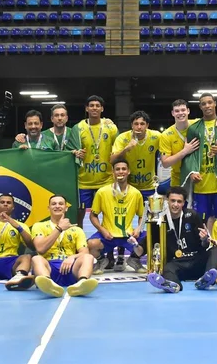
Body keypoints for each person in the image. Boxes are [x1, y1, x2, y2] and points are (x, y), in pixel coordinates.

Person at [136, 186, 217, 293]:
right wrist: (134, 244)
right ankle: (173, 285)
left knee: (216, 248)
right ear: (167, 201)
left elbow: (204, 245)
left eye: (179, 201)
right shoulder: (159, 222)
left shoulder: (192, 215)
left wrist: (205, 239)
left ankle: (207, 279)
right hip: (177, 263)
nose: (175, 204)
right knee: (167, 269)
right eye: (173, 201)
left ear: (183, 203)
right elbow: (142, 249)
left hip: (196, 261)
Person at [180, 93, 217, 231]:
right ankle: (203, 249)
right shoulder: (194, 128)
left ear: (215, 103)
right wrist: (191, 172)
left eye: (209, 102)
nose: (207, 106)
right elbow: (189, 155)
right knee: (199, 223)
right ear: (200, 106)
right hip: (201, 185)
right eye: (203, 103)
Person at [109, 110, 159, 271]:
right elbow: (112, 160)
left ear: (147, 126)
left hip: (149, 188)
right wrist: (126, 149)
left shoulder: (156, 136)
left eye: (142, 124)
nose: (139, 127)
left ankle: (137, 258)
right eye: (136, 124)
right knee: (123, 220)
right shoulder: (122, 138)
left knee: (150, 225)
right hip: (127, 187)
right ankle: (120, 258)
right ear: (131, 125)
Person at [32, 194, 99, 298]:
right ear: (48, 208)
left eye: (61, 204)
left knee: (88, 257)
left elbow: (84, 252)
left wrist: (72, 257)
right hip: (50, 267)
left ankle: (81, 284)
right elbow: (40, 249)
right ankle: (48, 284)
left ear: (66, 208)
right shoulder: (39, 226)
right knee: (37, 259)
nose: (57, 206)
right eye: (53, 204)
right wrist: (59, 229)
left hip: (70, 268)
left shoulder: (77, 230)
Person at [87, 159, 146, 274]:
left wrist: (139, 228)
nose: (121, 172)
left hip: (128, 236)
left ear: (128, 171)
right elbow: (93, 216)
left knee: (151, 241)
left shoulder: (136, 193)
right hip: (108, 235)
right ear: (112, 172)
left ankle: (134, 259)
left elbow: (141, 216)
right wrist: (102, 230)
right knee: (90, 244)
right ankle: (101, 260)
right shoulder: (102, 192)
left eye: (124, 169)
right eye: (117, 169)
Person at [67, 95, 118, 229]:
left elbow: (119, 150)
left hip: (106, 179)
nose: (94, 108)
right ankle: (79, 238)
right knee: (80, 211)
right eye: (91, 105)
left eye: (97, 106)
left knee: (108, 210)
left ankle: (110, 236)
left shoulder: (111, 128)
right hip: (84, 179)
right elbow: (69, 150)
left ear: (102, 109)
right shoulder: (78, 128)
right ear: (86, 109)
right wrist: (75, 152)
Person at [159, 99, 217, 188]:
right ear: (172, 113)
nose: (180, 113)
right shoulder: (166, 135)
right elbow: (165, 163)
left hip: (198, 177)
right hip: (178, 180)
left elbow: (212, 119)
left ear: (188, 111)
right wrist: (184, 151)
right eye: (177, 111)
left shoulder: (197, 124)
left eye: (183, 110)